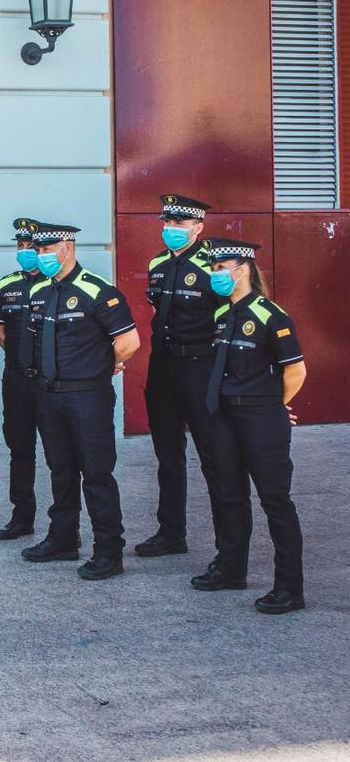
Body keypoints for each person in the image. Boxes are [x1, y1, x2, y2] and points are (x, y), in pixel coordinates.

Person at [19, 223, 140, 581]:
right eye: (38, 249)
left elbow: (128, 342)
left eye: (48, 248)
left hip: (87, 395)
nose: (42, 255)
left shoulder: (98, 291)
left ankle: (108, 550)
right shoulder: (39, 290)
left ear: (68, 247)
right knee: (61, 469)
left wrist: (105, 366)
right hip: (49, 394)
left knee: (97, 473)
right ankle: (63, 539)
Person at [197, 239, 306, 613]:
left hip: (261, 419)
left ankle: (290, 588)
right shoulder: (221, 315)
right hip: (225, 417)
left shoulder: (270, 315)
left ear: (242, 270)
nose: (215, 275)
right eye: (212, 268)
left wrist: (276, 407)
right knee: (229, 495)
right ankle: (231, 569)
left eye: (220, 268)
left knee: (275, 502)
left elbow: (295, 369)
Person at [136, 194, 221, 562]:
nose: (170, 230)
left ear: (198, 227)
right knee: (167, 454)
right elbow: (158, 310)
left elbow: (226, 319)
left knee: (214, 457)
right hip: (164, 367)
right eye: (167, 223)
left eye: (180, 224)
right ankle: (171, 532)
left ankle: (227, 548)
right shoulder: (157, 262)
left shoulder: (213, 264)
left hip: (200, 365)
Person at [0, 217, 44, 541]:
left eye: (30, 247)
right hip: (17, 379)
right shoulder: (7, 284)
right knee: (20, 450)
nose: (24, 252)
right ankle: (22, 516)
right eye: (20, 247)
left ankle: (66, 526)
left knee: (61, 454)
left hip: (51, 382)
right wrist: (20, 356)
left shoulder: (55, 285)